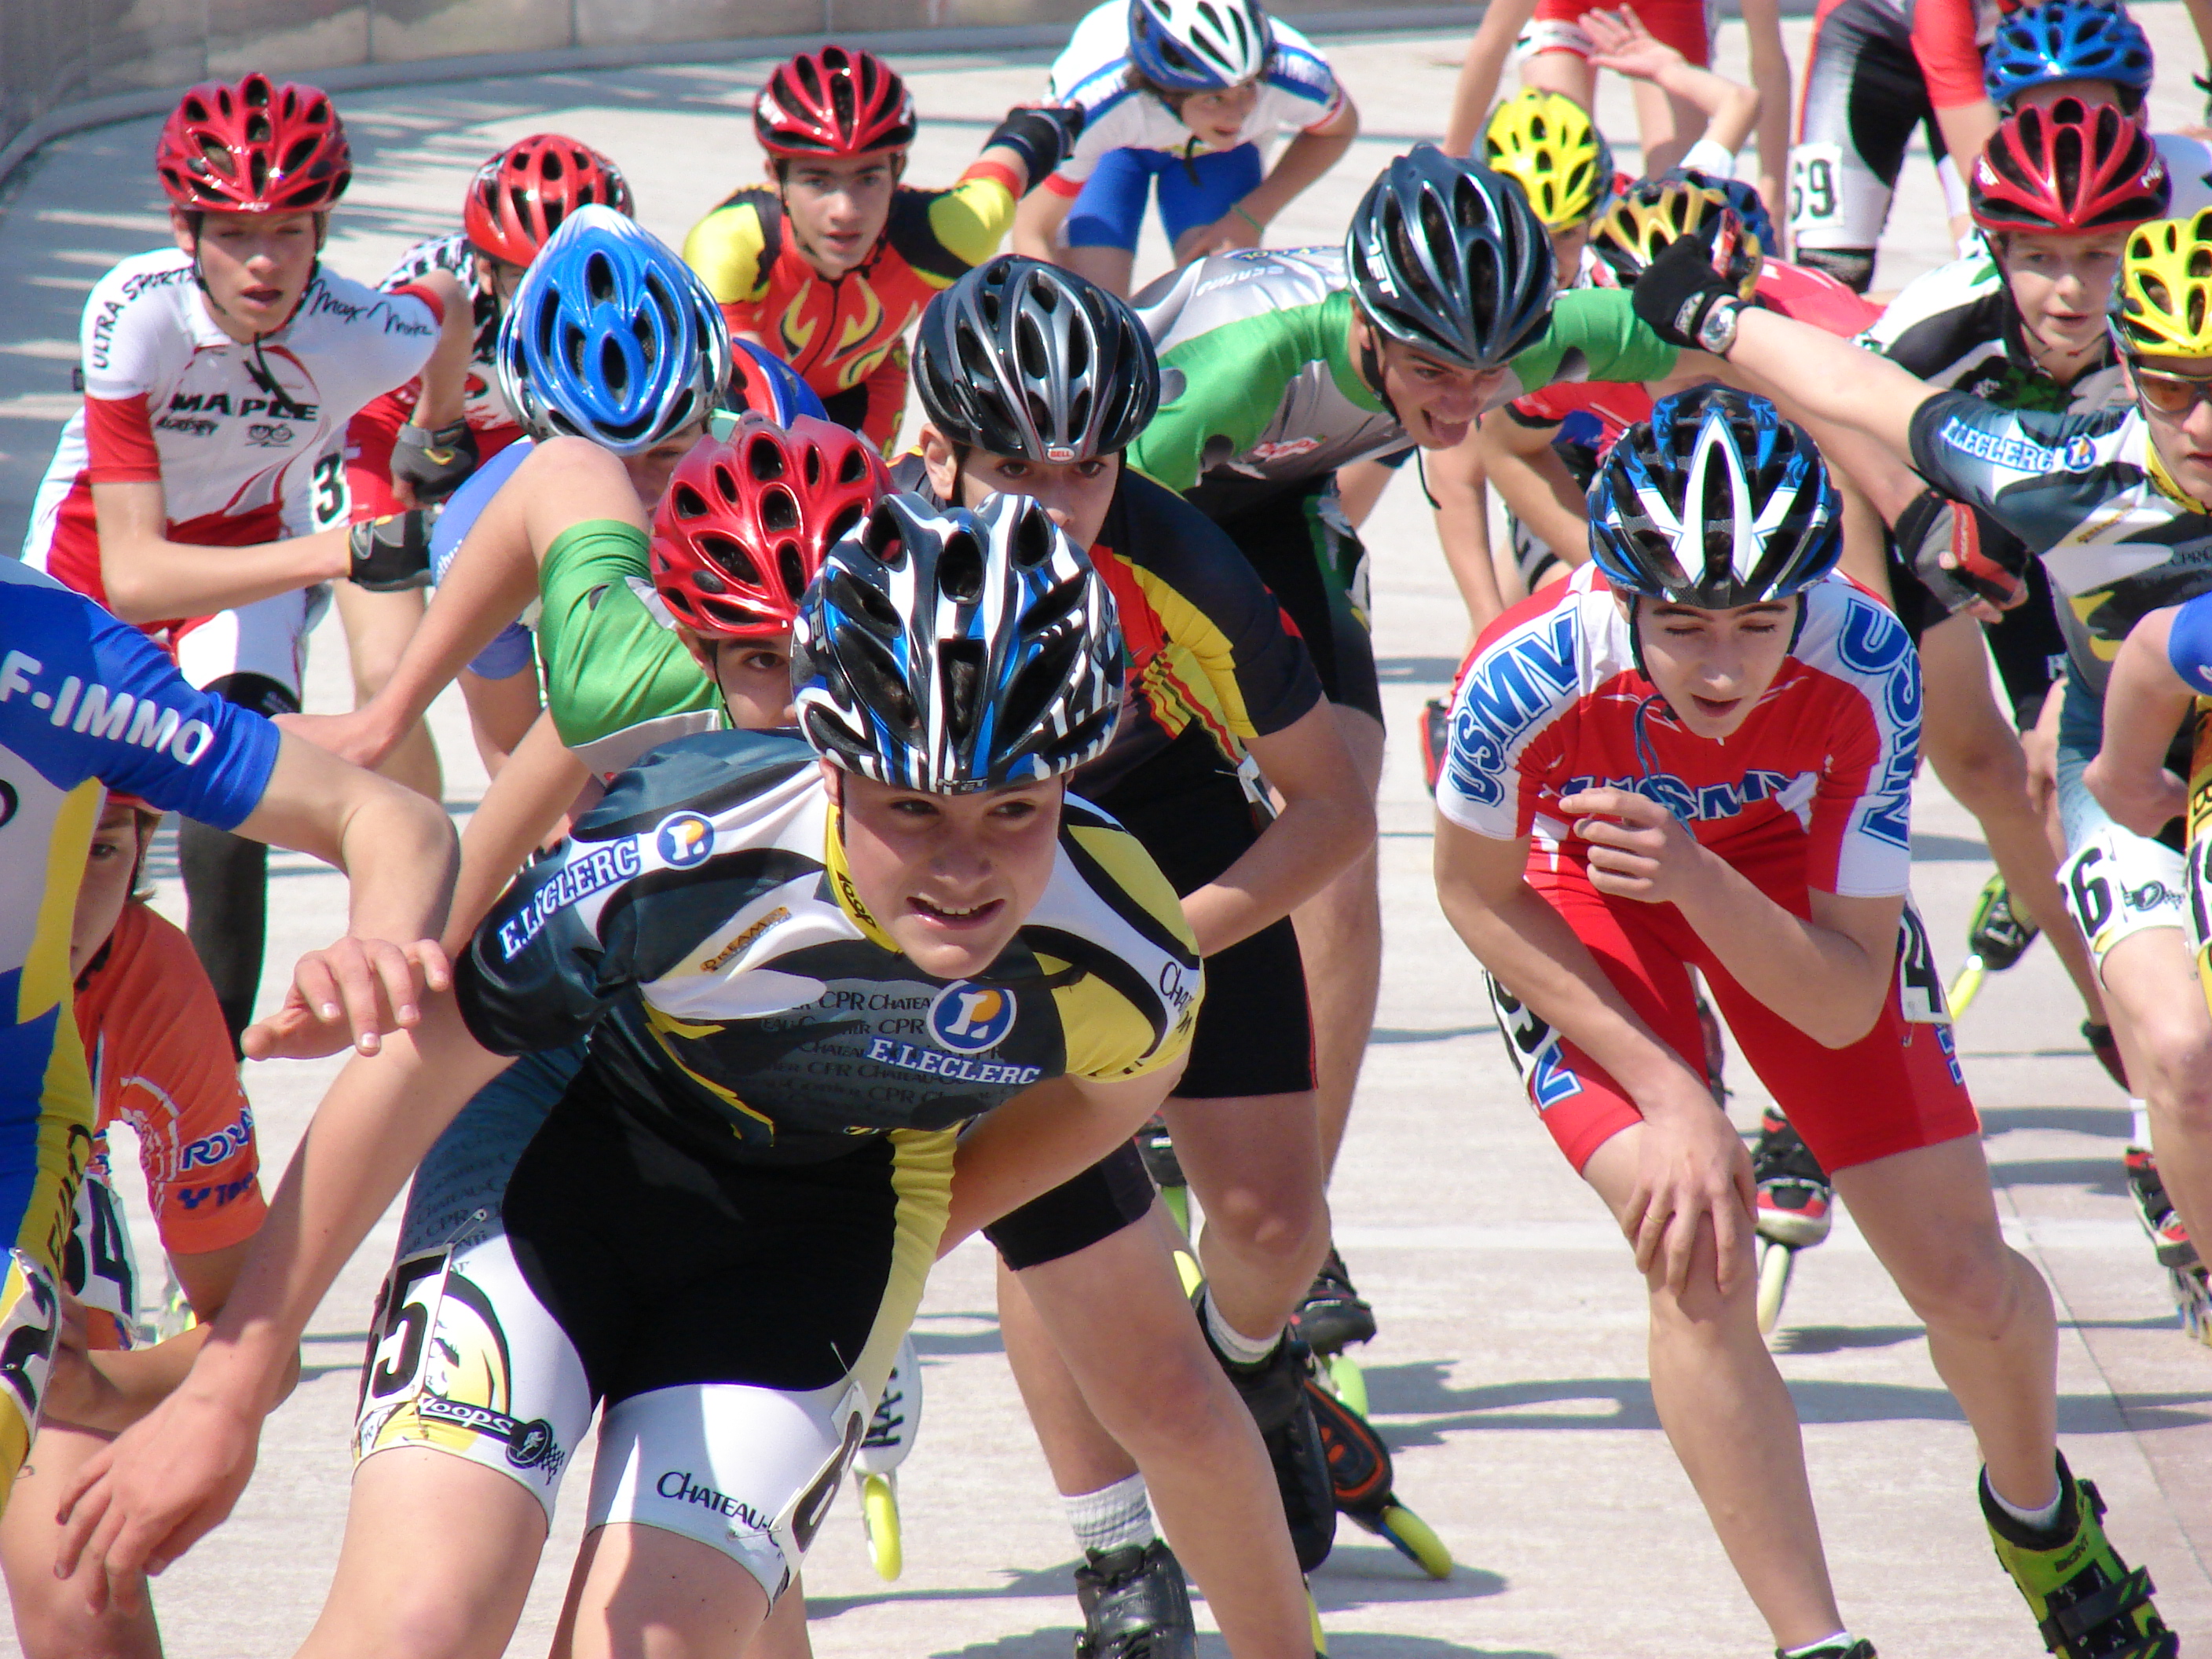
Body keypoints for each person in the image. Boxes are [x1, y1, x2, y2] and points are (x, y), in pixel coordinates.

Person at [48, 490, 1223, 1659]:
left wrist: (931, 1225)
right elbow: (429, 1057)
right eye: (911, 806)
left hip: (815, 1247)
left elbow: (1113, 1099)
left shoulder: (1126, 942)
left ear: (1072, 785)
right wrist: (231, 1383)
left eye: (1014, 809)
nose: (963, 867)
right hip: (565, 1157)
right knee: (416, 1626)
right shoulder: (687, 841)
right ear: (827, 766)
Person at [1434, 383, 2173, 1659]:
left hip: (1770, 877)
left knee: (1967, 1281)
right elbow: (1471, 895)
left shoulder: (1866, 656)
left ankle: (2040, 1516)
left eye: (1759, 624)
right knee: (1696, 1244)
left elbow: (1838, 997)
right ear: (1618, 594)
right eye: (1683, 626)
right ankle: (1814, 1641)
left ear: (1808, 599)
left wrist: (1695, 873)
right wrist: (1670, 1093)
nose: (1723, 667)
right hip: (1581, 885)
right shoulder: (1526, 670)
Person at [1624, 201, 2212, 1382]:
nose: (2201, 424)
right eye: (2168, 386)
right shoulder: (2064, 474)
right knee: (2185, 1058)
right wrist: (1709, 317)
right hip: (2117, 760)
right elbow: (1863, 393)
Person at [1128, 147, 1688, 1332]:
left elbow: (1706, 337)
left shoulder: (1492, 339)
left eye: (1488, 375)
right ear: (1369, 327)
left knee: (1339, 831)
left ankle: (1305, 1219)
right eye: (1431, 370)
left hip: (1270, 511)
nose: (1459, 403)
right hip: (1131, 508)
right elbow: (1066, 526)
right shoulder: (1248, 356)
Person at [904, 253, 1374, 1631]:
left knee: (1273, 1223)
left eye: (1085, 472)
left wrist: (1165, 945)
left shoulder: (1180, 559)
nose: (1053, 509)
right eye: (1013, 472)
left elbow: (1331, 810)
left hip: (1166, 829)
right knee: (1062, 1221)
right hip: (981, 868)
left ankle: (1253, 1359)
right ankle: (1115, 1553)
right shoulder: (876, 562)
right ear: (937, 456)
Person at [0, 554, 459, 1545]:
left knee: (72, 1569)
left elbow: (386, 816)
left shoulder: (50, 654)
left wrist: (376, 945)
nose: (79, 884)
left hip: (15, 1124)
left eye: (109, 850)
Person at [20, 71, 475, 1053]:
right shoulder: (137, 311)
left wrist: (435, 432)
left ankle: (212, 1064)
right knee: (83, 837)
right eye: (232, 234)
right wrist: (345, 550)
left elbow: (445, 302)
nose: (263, 262)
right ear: (184, 232)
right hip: (93, 568)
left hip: (246, 571)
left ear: (323, 230)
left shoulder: (360, 329)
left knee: (231, 800)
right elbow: (137, 577)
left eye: (290, 233)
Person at [0, 794, 270, 1658]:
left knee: (83, 1592)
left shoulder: (150, 978)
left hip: (44, 1213)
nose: (58, 894)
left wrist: (101, 1389)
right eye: (25, 840)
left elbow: (259, 1329)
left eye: (101, 851)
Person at [339, 132, 635, 790]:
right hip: (393, 436)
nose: (552, 300)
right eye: (522, 278)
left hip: (515, 441)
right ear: (482, 265)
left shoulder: (635, 299)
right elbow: (350, 391)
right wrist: (434, 421)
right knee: (389, 670)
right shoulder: (429, 290)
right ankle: (410, 827)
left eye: (578, 276)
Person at [683, 44, 1085, 450]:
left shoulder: (948, 234)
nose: (845, 211)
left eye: (868, 179)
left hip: (866, 390)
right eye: (817, 181)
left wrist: (1049, 122)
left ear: (898, 170)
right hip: (749, 389)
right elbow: (753, 388)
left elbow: (1012, 161)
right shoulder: (730, 244)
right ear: (776, 175)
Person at [1010, 0, 1359, 297]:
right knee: (1098, 299)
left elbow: (1337, 130)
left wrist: (1251, 216)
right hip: (1112, 149)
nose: (1237, 113)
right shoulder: (1092, 108)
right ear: (1166, 92)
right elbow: (1032, 229)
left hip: (1219, 155)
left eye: (1247, 88)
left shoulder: (1295, 74)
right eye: (1215, 99)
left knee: (1223, 287)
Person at [1783, 0, 1996, 293]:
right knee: (1828, 274)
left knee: (1998, 259)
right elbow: (1991, 187)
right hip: (1864, 37)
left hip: (1988, 49)